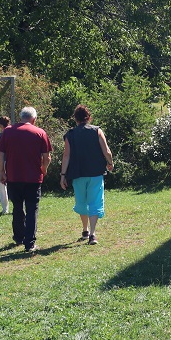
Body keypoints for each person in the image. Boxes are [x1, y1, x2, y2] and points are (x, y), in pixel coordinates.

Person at [0, 107, 52, 252]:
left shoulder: (7, 131)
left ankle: (19, 237)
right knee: (32, 209)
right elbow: (47, 157)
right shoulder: (40, 133)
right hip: (33, 177)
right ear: (34, 119)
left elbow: (0, 154)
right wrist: (44, 170)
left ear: (20, 117)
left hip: (13, 176)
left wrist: (2, 172)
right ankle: (29, 243)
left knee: (17, 207)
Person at [60, 105, 114, 245]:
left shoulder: (70, 134)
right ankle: (93, 234)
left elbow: (66, 156)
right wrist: (110, 163)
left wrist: (63, 175)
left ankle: (85, 230)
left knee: (81, 202)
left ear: (75, 119)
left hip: (77, 174)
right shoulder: (97, 131)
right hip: (95, 172)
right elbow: (106, 151)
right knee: (95, 202)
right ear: (88, 117)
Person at [0, 116, 11, 214]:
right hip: (13, 161)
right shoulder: (15, 134)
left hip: (1, 162)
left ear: (0, 125)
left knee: (2, 186)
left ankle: (5, 208)